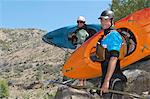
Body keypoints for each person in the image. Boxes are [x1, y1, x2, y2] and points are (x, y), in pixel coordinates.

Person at [96, 10, 127, 99]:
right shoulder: (105, 36)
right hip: (108, 78)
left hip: (114, 80)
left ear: (112, 21)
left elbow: (113, 58)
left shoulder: (114, 35)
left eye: (106, 19)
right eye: (101, 20)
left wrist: (106, 81)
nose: (103, 22)